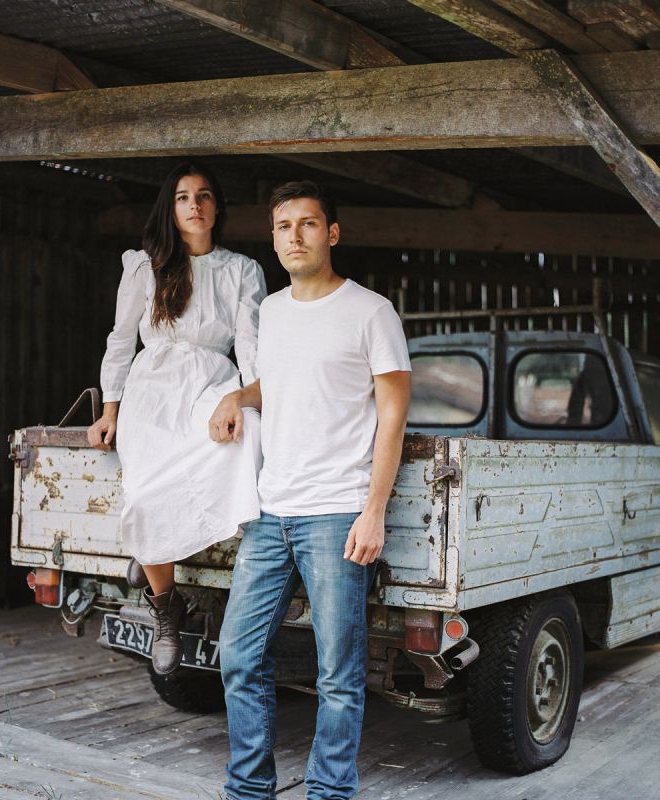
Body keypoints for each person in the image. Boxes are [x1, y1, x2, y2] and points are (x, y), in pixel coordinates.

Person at [209, 181, 411, 800]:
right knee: (238, 656)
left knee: (338, 673)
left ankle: (329, 792)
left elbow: (393, 414)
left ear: (332, 233)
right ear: (273, 238)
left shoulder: (371, 312)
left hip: (336, 513)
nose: (294, 235)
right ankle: (250, 788)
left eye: (307, 223)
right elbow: (278, 384)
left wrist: (373, 510)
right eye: (282, 226)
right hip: (271, 512)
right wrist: (238, 395)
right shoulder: (270, 312)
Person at [87, 161, 266, 675]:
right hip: (153, 389)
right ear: (171, 209)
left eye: (204, 195)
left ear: (216, 207)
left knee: (246, 436)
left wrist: (251, 395)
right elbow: (121, 339)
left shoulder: (241, 270)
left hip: (212, 381)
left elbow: (250, 343)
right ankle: (167, 607)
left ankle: (150, 548)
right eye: (184, 197)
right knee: (144, 492)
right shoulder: (144, 266)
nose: (195, 205)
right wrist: (110, 409)